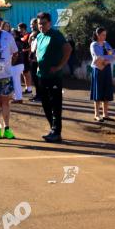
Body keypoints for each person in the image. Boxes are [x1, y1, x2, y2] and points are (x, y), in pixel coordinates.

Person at [36, 11, 72, 142]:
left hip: (54, 76)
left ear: (49, 23)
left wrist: (59, 66)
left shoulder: (56, 35)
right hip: (42, 75)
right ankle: (53, 129)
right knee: (45, 104)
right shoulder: (39, 36)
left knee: (55, 104)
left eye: (43, 24)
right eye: (39, 24)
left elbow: (68, 49)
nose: (41, 26)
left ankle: (56, 132)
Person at [90, 27, 115, 121]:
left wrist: (107, 60)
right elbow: (99, 57)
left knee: (107, 91)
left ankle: (106, 114)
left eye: (105, 34)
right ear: (97, 35)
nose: (104, 36)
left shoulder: (106, 44)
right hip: (98, 69)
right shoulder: (94, 45)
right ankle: (97, 115)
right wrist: (109, 58)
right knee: (98, 92)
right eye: (102, 35)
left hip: (107, 69)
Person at [10, 29, 26, 102]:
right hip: (19, 64)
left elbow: (15, 55)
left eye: (13, 34)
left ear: (16, 35)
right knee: (17, 82)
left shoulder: (15, 43)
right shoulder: (18, 42)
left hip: (16, 64)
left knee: (15, 82)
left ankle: (18, 98)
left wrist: (12, 63)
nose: (11, 35)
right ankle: (18, 97)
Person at [28, 18, 41, 101]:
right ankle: (37, 94)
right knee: (34, 78)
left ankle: (40, 96)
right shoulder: (32, 34)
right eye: (31, 24)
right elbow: (30, 44)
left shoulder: (39, 34)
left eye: (33, 24)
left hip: (38, 59)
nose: (32, 26)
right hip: (33, 58)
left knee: (38, 78)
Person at [17, 23, 33, 93]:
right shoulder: (20, 36)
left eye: (19, 29)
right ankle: (27, 88)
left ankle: (29, 89)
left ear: (23, 29)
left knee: (27, 73)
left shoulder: (29, 35)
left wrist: (24, 50)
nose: (19, 30)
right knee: (23, 73)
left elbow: (32, 47)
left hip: (27, 57)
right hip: (21, 58)